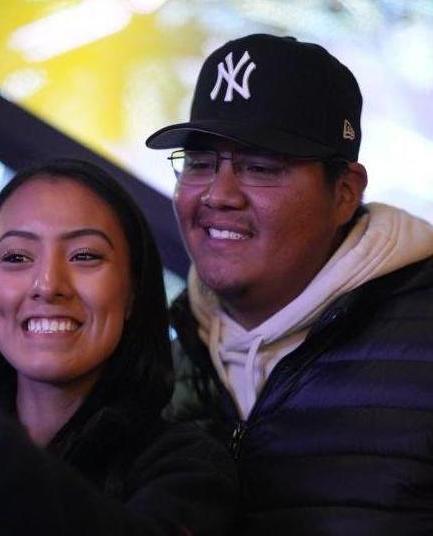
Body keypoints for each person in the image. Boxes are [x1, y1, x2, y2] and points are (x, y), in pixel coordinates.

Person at [146, 33, 433, 534]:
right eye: (199, 164)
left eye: (260, 167)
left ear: (344, 193)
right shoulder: (155, 366)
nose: (218, 194)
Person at [0, 159, 238, 535]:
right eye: (17, 257)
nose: (47, 285)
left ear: (132, 292)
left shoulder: (189, 469)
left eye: (85, 256)